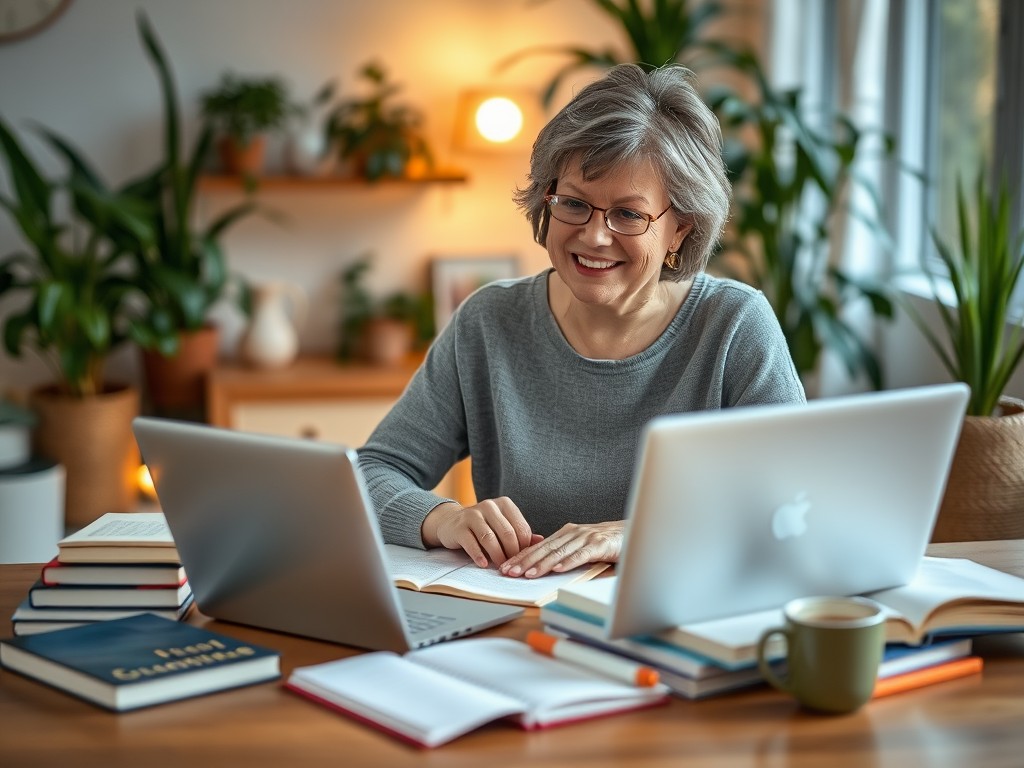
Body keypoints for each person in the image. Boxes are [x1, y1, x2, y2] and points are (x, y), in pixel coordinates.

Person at [358, 63, 805, 580]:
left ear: (680, 229)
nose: (594, 236)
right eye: (574, 204)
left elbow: (790, 503)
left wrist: (629, 533)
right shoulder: (488, 322)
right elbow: (371, 473)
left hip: (678, 621)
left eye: (628, 215)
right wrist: (445, 518)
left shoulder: (733, 325)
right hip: (520, 624)